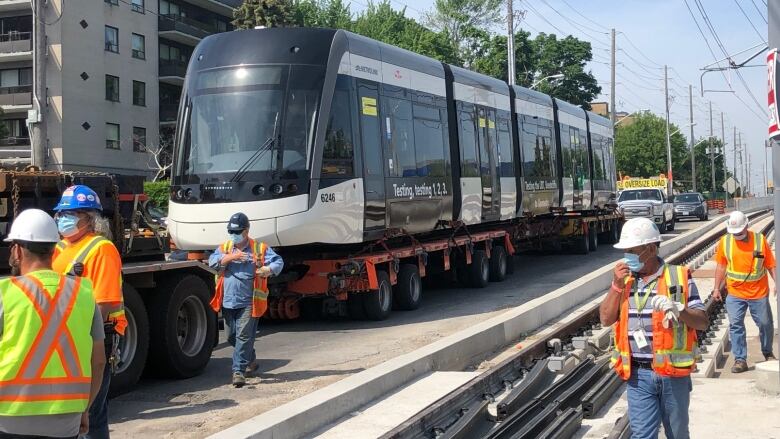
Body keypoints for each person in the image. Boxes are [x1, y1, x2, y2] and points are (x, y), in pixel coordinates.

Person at [0, 209, 106, 439]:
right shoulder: (84, 293)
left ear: (17, 249)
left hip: (7, 418)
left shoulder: (3, 294)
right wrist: (85, 409)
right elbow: (98, 362)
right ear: (53, 249)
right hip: (65, 421)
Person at [600, 217, 708, 439]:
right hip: (639, 376)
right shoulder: (625, 281)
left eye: (632, 250)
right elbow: (605, 319)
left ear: (650, 248)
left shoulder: (678, 276)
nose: (627, 256)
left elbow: (702, 321)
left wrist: (680, 310)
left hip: (673, 375)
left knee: (677, 434)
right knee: (642, 436)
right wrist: (615, 286)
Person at [51, 185, 124, 439]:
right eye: (61, 214)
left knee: (92, 411)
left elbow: (103, 304)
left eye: (72, 214)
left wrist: (82, 341)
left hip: (93, 337)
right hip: (64, 337)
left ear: (90, 218)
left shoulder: (101, 249)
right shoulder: (59, 248)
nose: (63, 219)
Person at [208, 212, 283, 387]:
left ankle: (238, 371)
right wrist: (231, 257)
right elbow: (212, 261)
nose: (234, 235)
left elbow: (278, 262)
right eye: (231, 231)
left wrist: (268, 269)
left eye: (238, 231)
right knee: (231, 337)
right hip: (228, 300)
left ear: (246, 230)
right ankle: (250, 358)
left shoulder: (259, 248)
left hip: (250, 301)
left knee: (243, 335)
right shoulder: (226, 247)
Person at [712, 210, 776, 373]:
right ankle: (740, 359)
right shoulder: (725, 242)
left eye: (739, 233)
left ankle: (767, 352)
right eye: (734, 233)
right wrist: (716, 288)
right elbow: (721, 265)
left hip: (758, 292)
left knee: (765, 323)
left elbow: (770, 265)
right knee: (736, 325)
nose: (737, 236)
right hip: (735, 292)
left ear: (746, 226)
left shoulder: (759, 241)